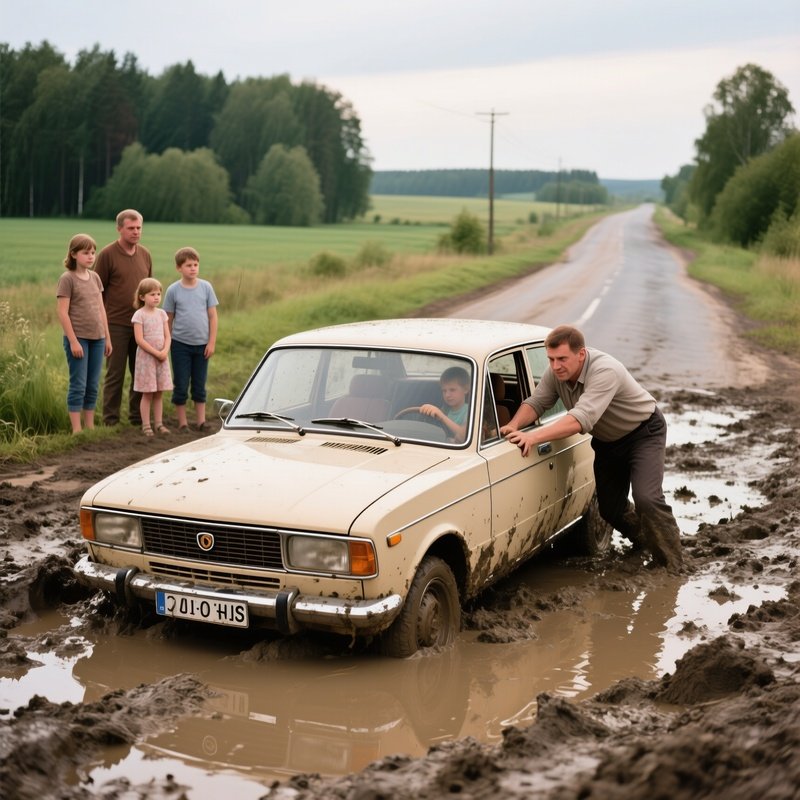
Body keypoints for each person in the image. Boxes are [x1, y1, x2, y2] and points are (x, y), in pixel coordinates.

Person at [501, 325, 683, 572]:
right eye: (551, 359)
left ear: (581, 355)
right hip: (608, 442)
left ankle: (672, 563)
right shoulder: (556, 372)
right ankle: (646, 540)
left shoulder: (605, 370)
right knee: (609, 508)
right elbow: (537, 402)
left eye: (562, 359)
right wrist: (512, 425)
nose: (555, 366)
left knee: (647, 498)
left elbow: (580, 419)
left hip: (643, 434)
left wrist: (534, 437)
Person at [94, 209, 153, 427]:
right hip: (116, 324)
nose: (136, 232)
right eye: (131, 228)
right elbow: (96, 290)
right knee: (115, 374)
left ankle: (137, 418)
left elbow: (149, 290)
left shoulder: (145, 254)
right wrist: (102, 324)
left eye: (139, 228)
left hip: (141, 324)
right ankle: (110, 420)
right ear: (119, 228)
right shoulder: (107, 254)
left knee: (140, 372)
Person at [55, 234, 113, 434]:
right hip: (78, 339)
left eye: (93, 252)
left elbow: (101, 309)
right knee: (78, 384)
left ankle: (90, 427)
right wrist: (73, 341)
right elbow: (62, 312)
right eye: (85, 253)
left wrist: (107, 338)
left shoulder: (95, 277)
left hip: (98, 339)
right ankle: (77, 430)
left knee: (93, 385)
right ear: (73, 254)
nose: (91, 257)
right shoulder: (67, 279)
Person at [162, 246, 219, 432]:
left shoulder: (206, 287)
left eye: (195, 264)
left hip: (202, 345)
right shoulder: (173, 290)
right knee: (181, 383)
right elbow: (167, 319)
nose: (193, 268)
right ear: (179, 268)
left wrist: (211, 342)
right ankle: (182, 422)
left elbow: (213, 316)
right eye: (188, 265)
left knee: (199, 383)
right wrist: (167, 343)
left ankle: (201, 422)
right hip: (180, 345)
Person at [131, 278, 173, 437]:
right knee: (148, 393)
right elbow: (139, 340)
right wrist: (156, 353)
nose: (156, 297)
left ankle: (159, 424)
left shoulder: (162, 314)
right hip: (147, 359)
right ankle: (146, 425)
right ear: (142, 297)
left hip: (162, 358)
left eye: (158, 294)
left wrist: (164, 352)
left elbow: (168, 336)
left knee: (159, 392)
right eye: (152, 294)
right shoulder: (139, 315)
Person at [420, 365, 470, 443]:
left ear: (466, 389)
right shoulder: (445, 409)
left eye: (452, 390)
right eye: (444, 391)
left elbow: (464, 437)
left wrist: (442, 417)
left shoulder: (469, 411)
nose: (447, 395)